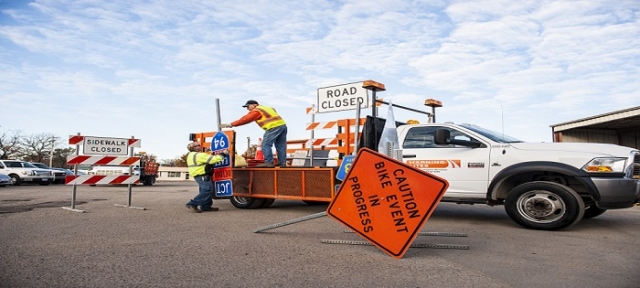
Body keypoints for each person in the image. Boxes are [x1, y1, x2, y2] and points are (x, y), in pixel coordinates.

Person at [221, 100, 287, 167]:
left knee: (265, 144)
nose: (247, 109)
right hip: (282, 126)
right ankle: (282, 163)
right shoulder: (267, 108)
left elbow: (246, 119)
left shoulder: (257, 110)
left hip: (273, 127)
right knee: (280, 146)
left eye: (248, 106)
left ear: (254, 105)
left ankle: (269, 162)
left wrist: (231, 124)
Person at [185, 141, 229, 213]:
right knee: (207, 190)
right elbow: (213, 160)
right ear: (193, 148)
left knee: (204, 190)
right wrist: (223, 154)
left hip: (198, 174)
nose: (200, 146)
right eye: (198, 145)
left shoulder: (191, 155)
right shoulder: (198, 155)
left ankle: (206, 206)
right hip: (202, 174)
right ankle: (192, 203)